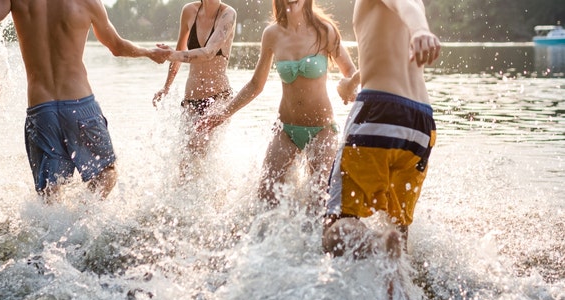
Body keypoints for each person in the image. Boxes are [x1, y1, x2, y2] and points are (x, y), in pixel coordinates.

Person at [0, 0, 170, 201]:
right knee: (106, 173)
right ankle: (82, 219)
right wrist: (150, 53)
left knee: (49, 191)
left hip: (41, 110)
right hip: (80, 104)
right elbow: (117, 46)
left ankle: (55, 229)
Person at [197, 0, 357, 207]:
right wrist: (222, 114)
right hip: (286, 130)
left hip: (322, 130)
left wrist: (349, 88)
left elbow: (351, 72)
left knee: (319, 202)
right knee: (265, 198)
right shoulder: (272, 34)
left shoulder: (325, 31)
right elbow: (255, 84)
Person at [322, 0, 441, 259]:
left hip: (380, 112)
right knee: (398, 226)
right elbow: (385, 48)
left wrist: (421, 30)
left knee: (335, 228)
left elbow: (406, 3)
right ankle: (399, 286)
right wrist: (352, 81)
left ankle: (377, 246)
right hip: (420, 124)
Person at [153, 0, 236, 180]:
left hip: (218, 99)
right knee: (184, 163)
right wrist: (166, 87)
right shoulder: (189, 11)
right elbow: (180, 49)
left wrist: (170, 54)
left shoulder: (228, 14)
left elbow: (208, 53)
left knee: (200, 151)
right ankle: (180, 205)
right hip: (191, 99)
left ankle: (217, 199)